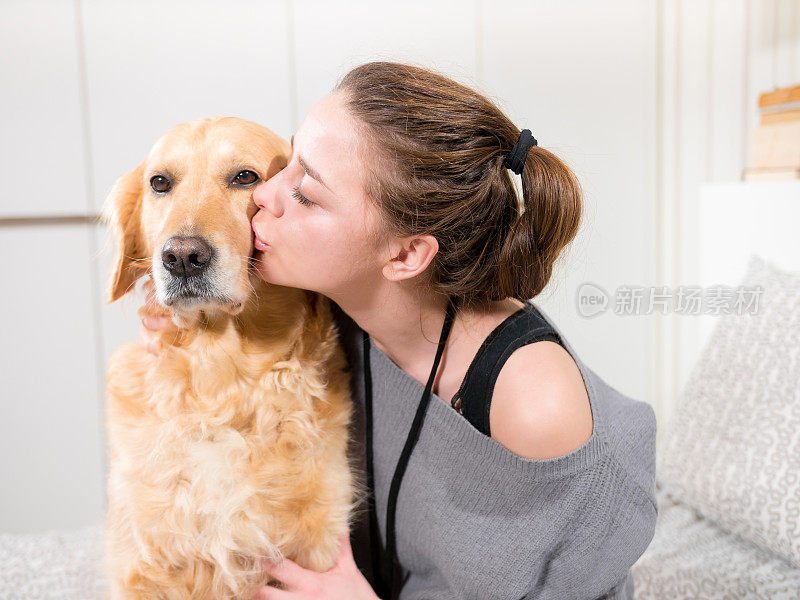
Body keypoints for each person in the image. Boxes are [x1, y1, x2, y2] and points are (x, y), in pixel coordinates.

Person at [139, 61, 658, 600]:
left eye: (307, 193)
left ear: (407, 253)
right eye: (287, 163)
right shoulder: (330, 303)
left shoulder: (536, 406)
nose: (266, 196)